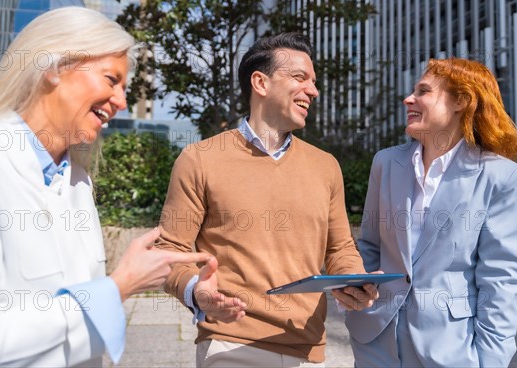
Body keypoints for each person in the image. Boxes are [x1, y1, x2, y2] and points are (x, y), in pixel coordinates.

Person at [0, 7, 211, 367]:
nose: (121, 102)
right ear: (56, 67)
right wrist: (118, 286)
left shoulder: (76, 179)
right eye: (111, 79)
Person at [156, 33, 379, 368]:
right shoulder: (200, 159)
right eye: (300, 78)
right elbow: (170, 253)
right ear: (260, 82)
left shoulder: (326, 166)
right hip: (231, 344)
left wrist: (353, 280)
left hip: (308, 349)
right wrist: (198, 292)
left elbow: (339, 249)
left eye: (314, 82)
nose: (313, 91)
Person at [345, 58, 517, 367]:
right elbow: (370, 246)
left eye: (423, 91)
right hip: (376, 343)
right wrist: (353, 290)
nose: (408, 99)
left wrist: (491, 360)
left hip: (451, 349)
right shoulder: (387, 163)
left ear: (461, 101)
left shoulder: (502, 177)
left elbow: (500, 281)